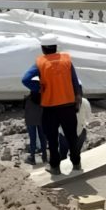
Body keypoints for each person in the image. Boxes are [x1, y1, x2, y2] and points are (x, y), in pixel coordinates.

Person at [21, 33, 82, 175]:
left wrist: (38, 88)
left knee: (52, 139)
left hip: (50, 108)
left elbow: (25, 79)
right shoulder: (66, 60)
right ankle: (76, 163)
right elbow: (75, 80)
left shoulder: (40, 62)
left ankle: (55, 167)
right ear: (56, 47)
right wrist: (77, 96)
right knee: (71, 136)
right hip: (68, 105)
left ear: (43, 49)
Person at [58, 96, 91, 160]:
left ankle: (63, 167)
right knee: (76, 154)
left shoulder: (61, 101)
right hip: (80, 132)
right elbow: (88, 117)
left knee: (62, 155)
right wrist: (84, 123)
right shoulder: (84, 101)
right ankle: (76, 167)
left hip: (64, 133)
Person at [23, 91, 47, 165]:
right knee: (43, 138)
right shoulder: (43, 97)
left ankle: (32, 158)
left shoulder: (27, 98)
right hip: (41, 120)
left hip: (30, 120)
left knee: (32, 139)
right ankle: (44, 157)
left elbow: (24, 108)